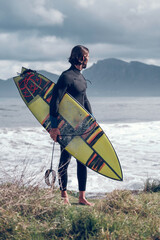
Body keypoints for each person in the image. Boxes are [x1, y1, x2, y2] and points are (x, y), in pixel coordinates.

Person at [49, 45, 93, 206]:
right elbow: (55, 101)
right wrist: (54, 127)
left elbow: (85, 101)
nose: (88, 59)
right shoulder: (66, 77)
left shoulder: (81, 78)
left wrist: (92, 122)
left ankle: (82, 197)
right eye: (87, 56)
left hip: (80, 126)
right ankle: (64, 195)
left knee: (83, 160)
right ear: (80, 58)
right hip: (66, 126)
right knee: (65, 160)